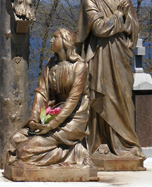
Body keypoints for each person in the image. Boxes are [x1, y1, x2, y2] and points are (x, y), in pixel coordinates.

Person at [76, 0, 145, 158]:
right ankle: (99, 143)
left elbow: (134, 28)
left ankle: (127, 144)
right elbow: (98, 28)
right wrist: (118, 17)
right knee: (101, 97)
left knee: (123, 98)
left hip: (121, 56)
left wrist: (123, 21)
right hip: (99, 56)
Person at [7, 28, 92, 167]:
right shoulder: (51, 63)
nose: (51, 40)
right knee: (15, 139)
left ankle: (75, 153)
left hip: (72, 120)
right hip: (55, 114)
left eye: (55, 37)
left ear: (65, 42)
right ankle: (68, 152)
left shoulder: (80, 66)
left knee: (23, 151)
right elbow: (42, 92)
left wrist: (52, 125)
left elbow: (72, 100)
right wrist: (35, 118)